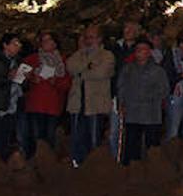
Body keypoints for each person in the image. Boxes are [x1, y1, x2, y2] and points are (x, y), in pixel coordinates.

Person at [65, 26, 115, 165]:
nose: (88, 41)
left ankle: (94, 167)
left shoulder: (107, 55)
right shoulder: (78, 54)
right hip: (77, 103)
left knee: (94, 139)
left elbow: (102, 73)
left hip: (95, 104)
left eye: (91, 37)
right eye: (86, 37)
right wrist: (88, 66)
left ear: (99, 39)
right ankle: (76, 164)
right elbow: (70, 67)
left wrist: (81, 73)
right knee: (76, 138)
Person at [117, 39, 170, 164]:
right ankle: (130, 170)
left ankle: (152, 171)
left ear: (149, 52)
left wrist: (148, 97)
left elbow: (164, 90)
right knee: (131, 145)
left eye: (144, 49)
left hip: (151, 113)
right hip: (132, 113)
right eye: (138, 49)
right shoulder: (128, 69)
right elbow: (121, 87)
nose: (140, 52)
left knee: (152, 147)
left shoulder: (158, 71)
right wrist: (122, 103)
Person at [21, 32, 71, 156]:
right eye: (43, 40)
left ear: (55, 43)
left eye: (48, 40)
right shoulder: (32, 59)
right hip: (35, 105)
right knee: (35, 138)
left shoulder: (63, 61)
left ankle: (47, 164)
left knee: (49, 139)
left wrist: (56, 82)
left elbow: (67, 84)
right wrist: (31, 78)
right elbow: (19, 79)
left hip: (53, 106)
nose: (45, 43)